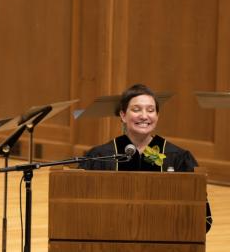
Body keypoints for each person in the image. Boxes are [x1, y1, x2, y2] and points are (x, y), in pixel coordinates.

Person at [80, 83, 212, 231]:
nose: (144, 116)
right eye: (136, 110)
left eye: (151, 110)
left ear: (157, 116)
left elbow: (200, 216)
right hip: (108, 240)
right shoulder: (101, 156)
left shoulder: (177, 157)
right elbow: (83, 211)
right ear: (123, 115)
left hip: (165, 243)